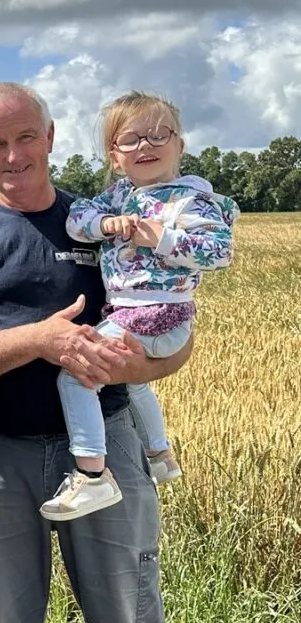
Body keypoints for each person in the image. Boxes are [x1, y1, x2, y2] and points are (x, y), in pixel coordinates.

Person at [0, 81, 194, 623]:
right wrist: (38, 341)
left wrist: (133, 367)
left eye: (26, 136)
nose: (13, 154)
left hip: (108, 444)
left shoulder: (102, 224)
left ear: (50, 138)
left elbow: (172, 334)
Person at [40, 91, 239, 522]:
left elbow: (219, 252)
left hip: (158, 312)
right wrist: (105, 224)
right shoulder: (118, 196)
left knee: (78, 373)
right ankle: (160, 453)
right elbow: (78, 218)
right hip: (131, 313)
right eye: (130, 140)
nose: (145, 145)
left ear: (180, 146)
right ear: (115, 157)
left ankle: (92, 475)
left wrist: (161, 237)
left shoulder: (190, 199)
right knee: (132, 384)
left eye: (158, 134)